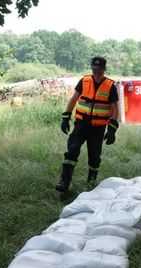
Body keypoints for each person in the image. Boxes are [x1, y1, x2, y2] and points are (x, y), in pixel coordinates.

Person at [55, 56, 119, 192]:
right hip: (81, 124)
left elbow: (115, 108)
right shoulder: (84, 81)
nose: (97, 73)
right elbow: (74, 99)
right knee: (72, 150)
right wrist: (66, 118)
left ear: (104, 69)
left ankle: (90, 185)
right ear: (92, 68)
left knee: (94, 156)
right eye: (94, 69)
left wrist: (112, 129)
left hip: (98, 128)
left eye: (100, 70)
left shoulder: (110, 86)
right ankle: (64, 182)